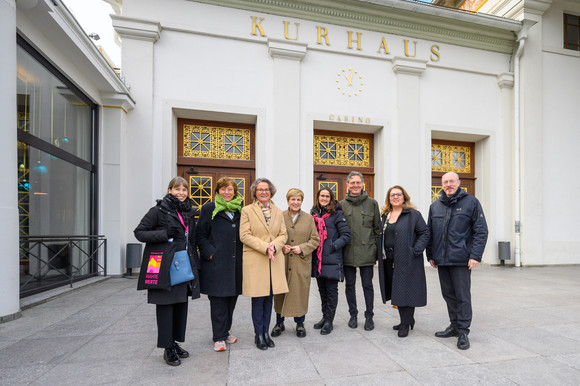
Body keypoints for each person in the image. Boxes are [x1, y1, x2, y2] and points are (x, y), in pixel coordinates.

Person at [134, 176, 200, 366]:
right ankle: (167, 347)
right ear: (170, 190)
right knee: (165, 306)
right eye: (177, 189)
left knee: (180, 305)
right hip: (163, 265)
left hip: (182, 264)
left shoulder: (189, 212)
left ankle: (175, 342)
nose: (181, 193)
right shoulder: (158, 211)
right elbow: (139, 232)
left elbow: (191, 239)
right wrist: (164, 234)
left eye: (184, 189)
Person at [427, 172, 488, 350]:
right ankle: (454, 326)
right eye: (445, 182)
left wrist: (475, 256)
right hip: (441, 260)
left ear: (459, 182)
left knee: (462, 296)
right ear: (441, 184)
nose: (448, 184)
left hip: (461, 259)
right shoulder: (435, 206)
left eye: (451, 181)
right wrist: (430, 254)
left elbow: (481, 231)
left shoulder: (471, 203)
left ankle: (463, 331)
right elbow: (430, 232)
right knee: (448, 295)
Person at [240, 178, 289, 350]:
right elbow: (244, 235)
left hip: (274, 260)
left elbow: (283, 234)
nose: (263, 192)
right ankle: (258, 334)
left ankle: (266, 332)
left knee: (269, 298)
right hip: (256, 259)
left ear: (271, 191)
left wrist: (274, 246)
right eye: (260, 189)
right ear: (255, 192)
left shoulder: (278, 211)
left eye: (266, 189)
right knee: (258, 298)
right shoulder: (247, 211)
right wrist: (265, 247)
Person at [196, 177, 243, 352]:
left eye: (230, 189)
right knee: (218, 301)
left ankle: (225, 330)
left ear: (235, 192)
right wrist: (209, 253)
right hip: (216, 263)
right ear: (217, 191)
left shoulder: (240, 210)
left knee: (231, 299)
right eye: (223, 189)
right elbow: (200, 234)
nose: (226, 192)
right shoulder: (209, 208)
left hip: (235, 264)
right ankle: (218, 337)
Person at [377, 185, 430, 338]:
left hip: (408, 259)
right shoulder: (386, 215)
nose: (395, 197)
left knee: (406, 291)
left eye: (398, 194)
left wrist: (415, 250)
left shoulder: (413, 214)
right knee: (397, 291)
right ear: (389, 198)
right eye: (392, 195)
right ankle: (406, 320)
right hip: (389, 259)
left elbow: (425, 233)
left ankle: (406, 324)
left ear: (404, 197)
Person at [271, 188, 320, 338]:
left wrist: (302, 248)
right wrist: (281, 246)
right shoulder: (280, 216)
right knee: (280, 292)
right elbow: (273, 235)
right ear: (287, 201)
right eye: (293, 199)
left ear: (302, 202)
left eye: (298, 200)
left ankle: (300, 323)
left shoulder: (308, 218)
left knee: (299, 293)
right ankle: (279, 323)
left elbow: (315, 239)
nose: (296, 202)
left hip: (301, 262)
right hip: (283, 261)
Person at [340, 171, 381, 331]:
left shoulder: (372, 203)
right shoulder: (341, 205)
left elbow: (378, 229)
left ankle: (369, 316)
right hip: (348, 252)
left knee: (367, 285)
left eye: (358, 182)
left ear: (362, 184)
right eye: (352, 183)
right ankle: (353, 314)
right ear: (347, 184)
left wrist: (378, 252)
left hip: (367, 252)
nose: (355, 185)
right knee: (349, 285)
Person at [311, 188, 351, 335]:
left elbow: (346, 235)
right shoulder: (314, 214)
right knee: (322, 291)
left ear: (331, 198)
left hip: (332, 258)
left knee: (331, 291)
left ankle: (329, 321)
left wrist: (333, 245)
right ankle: (324, 317)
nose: (324, 198)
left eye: (327, 196)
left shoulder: (337, 214)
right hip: (318, 259)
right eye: (322, 196)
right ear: (318, 197)